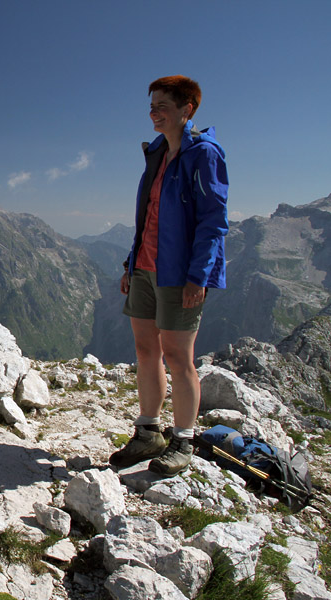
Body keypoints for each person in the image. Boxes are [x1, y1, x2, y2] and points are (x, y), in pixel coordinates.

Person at [109, 75, 229, 476]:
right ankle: (148, 434)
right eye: (151, 106)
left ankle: (183, 440)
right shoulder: (158, 153)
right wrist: (131, 263)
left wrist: (200, 276)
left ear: (187, 109)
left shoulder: (205, 154)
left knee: (179, 358)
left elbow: (214, 221)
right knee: (147, 352)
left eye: (162, 106)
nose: (154, 113)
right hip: (145, 266)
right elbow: (147, 216)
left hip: (179, 273)